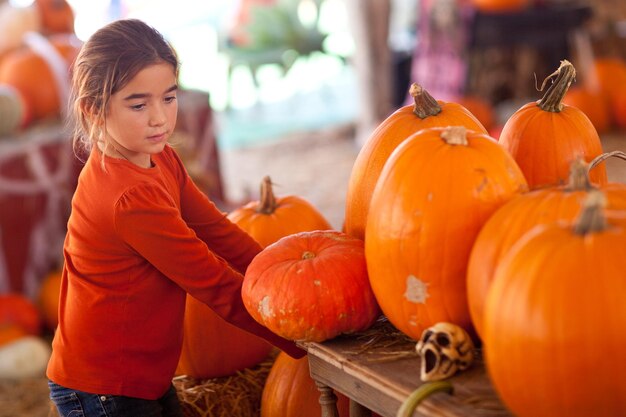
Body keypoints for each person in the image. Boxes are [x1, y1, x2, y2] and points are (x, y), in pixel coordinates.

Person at [46, 18, 305, 417]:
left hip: (140, 374)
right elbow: (214, 283)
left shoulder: (159, 156)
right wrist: (296, 336)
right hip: (103, 387)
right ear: (93, 110)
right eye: (138, 104)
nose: (160, 118)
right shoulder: (129, 197)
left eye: (168, 98)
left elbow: (218, 232)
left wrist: (281, 279)